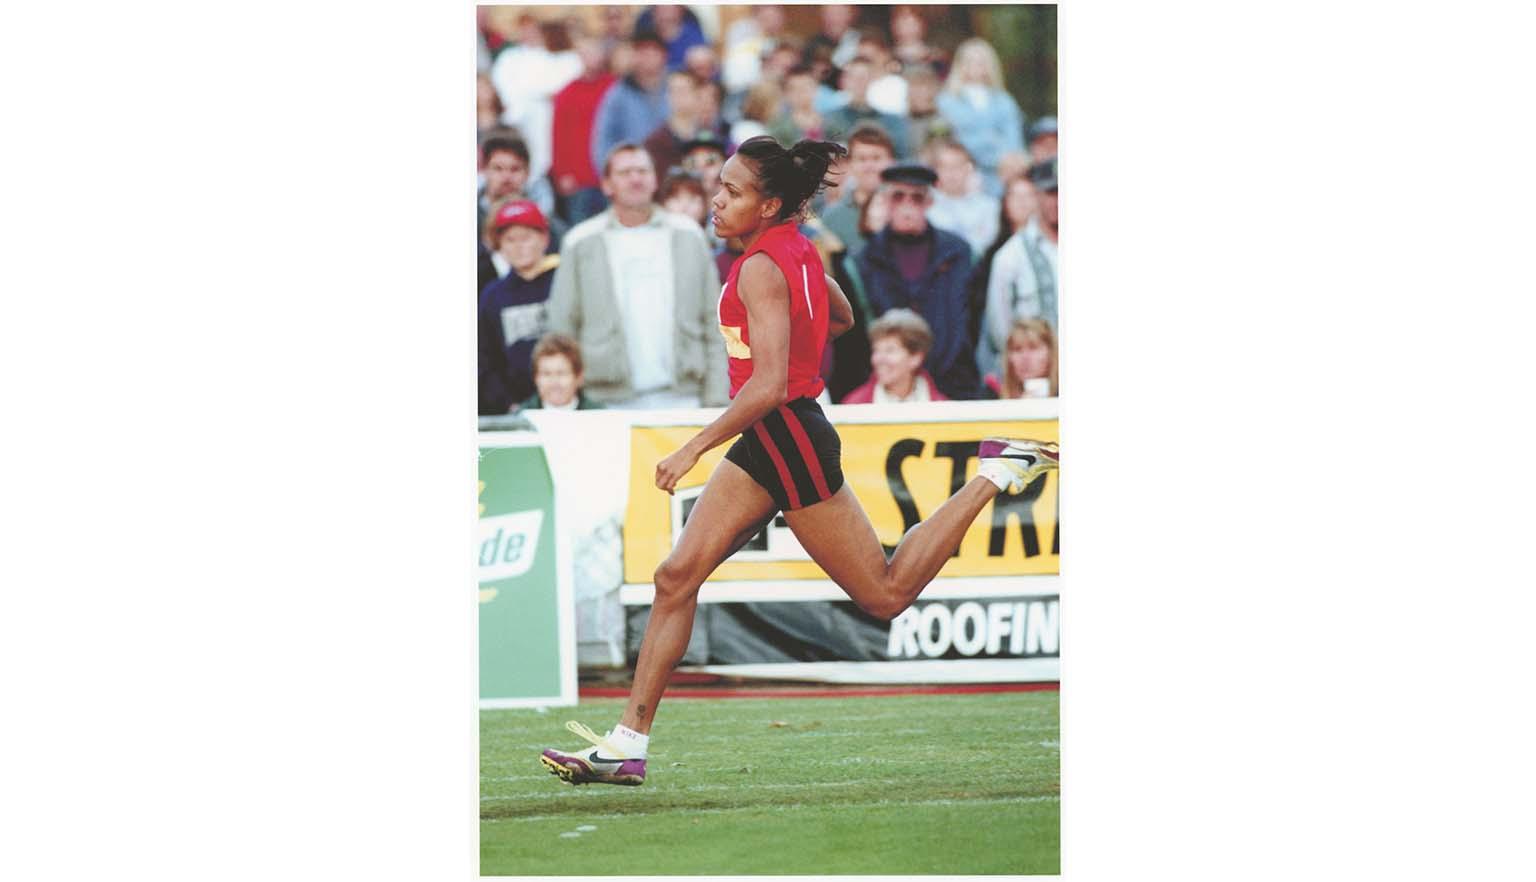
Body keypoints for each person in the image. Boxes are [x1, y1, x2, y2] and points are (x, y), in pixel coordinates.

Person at [538, 136, 1058, 786]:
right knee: (675, 577)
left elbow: (770, 383)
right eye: (719, 187)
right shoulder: (794, 250)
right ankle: (626, 744)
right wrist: (797, 318)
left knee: (885, 593)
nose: (715, 200)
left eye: (731, 192)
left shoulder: (759, 265)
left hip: (788, 433)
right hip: (776, 434)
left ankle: (996, 471)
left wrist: (693, 448)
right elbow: (838, 317)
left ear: (770, 204)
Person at [546, 143, 729, 409]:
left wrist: (716, 399)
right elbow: (563, 328)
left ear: (655, 180)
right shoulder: (580, 242)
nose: (635, 178)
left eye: (642, 171)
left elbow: (715, 321)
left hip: (685, 398)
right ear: (607, 184)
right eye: (625, 172)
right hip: (606, 403)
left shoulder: (688, 235)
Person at [855, 162, 982, 400]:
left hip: (952, 382)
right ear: (886, 201)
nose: (907, 207)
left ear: (929, 203)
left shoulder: (957, 253)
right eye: (898, 197)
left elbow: (973, 317)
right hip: (886, 387)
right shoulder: (865, 258)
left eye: (916, 198)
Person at [478, 200, 559, 415]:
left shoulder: (564, 281)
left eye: (526, 237)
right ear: (500, 247)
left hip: (570, 401)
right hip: (518, 409)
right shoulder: (492, 296)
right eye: (509, 240)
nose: (518, 246)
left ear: (544, 239)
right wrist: (508, 404)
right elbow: (485, 360)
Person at [980, 156, 1058, 370]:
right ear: (1037, 196)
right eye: (1051, 193)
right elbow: (1000, 329)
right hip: (1035, 376)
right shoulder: (1010, 256)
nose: (1058, 201)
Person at [936, 38, 1026, 196]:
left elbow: (1014, 140)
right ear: (960, 64)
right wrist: (994, 151)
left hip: (1003, 176)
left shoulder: (1005, 100)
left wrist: (1010, 160)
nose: (976, 66)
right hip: (963, 175)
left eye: (981, 61)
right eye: (970, 60)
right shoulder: (946, 100)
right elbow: (956, 139)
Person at [550, 36, 618, 227]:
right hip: (579, 180)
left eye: (594, 52)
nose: (590, 58)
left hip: (611, 177)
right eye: (585, 53)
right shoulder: (567, 93)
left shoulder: (614, 88)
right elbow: (558, 137)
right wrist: (562, 173)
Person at [590, 30, 672, 176]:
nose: (647, 58)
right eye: (641, 52)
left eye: (653, 51)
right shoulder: (618, 94)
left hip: (672, 174)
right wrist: (608, 175)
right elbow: (603, 139)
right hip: (633, 176)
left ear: (664, 55)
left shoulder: (677, 87)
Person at [839, 308, 949, 404]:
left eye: (889, 350)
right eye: (876, 350)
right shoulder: (854, 406)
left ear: (916, 358)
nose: (878, 359)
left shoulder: (944, 409)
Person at [818, 123, 896, 254]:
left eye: (876, 158)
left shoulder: (903, 211)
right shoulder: (831, 218)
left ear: (891, 161)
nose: (869, 166)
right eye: (862, 159)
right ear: (850, 164)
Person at [925, 137, 1000, 258]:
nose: (951, 173)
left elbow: (985, 244)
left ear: (969, 169)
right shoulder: (926, 206)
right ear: (936, 171)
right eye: (945, 167)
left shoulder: (989, 207)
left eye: (957, 166)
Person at [822, 57, 909, 159]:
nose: (859, 83)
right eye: (854, 77)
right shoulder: (831, 119)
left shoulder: (892, 121)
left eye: (864, 77)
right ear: (845, 80)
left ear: (872, 80)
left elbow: (901, 155)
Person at [517, 333, 605, 411]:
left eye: (561, 373)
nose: (554, 382)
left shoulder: (600, 417)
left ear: (579, 377)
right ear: (535, 378)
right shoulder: (519, 418)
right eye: (546, 374)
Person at [643, 71, 704, 178]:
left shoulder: (709, 137)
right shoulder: (656, 142)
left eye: (684, 90)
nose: (678, 96)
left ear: (697, 94)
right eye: (673, 91)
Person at [985, 317, 1057, 400]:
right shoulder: (991, 396)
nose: (1025, 357)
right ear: (1009, 357)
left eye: (1033, 348)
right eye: (1017, 349)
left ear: (1051, 353)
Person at [767, 65, 827, 146]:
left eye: (805, 88)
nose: (800, 93)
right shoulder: (779, 126)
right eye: (794, 89)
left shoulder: (831, 122)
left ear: (815, 88)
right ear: (785, 93)